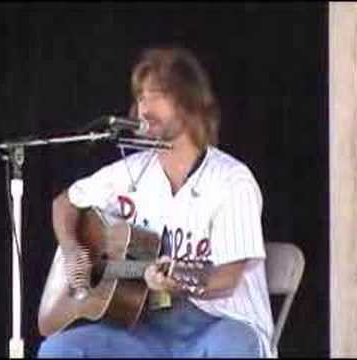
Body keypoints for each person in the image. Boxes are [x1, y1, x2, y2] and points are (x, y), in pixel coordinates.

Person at [37, 46, 275, 358]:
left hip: (221, 324)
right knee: (60, 350)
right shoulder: (133, 170)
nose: (144, 107)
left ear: (190, 103)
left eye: (157, 95)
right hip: (147, 329)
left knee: (231, 348)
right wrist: (72, 250)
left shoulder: (231, 180)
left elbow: (227, 278)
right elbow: (64, 203)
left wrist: (181, 281)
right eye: (141, 97)